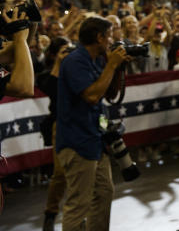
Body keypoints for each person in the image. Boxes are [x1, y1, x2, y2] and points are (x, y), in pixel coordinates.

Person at [56, 16, 131, 231]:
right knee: (79, 204)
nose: (111, 41)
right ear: (99, 37)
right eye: (108, 36)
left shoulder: (98, 59)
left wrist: (116, 68)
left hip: (96, 139)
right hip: (77, 142)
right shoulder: (75, 61)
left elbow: (110, 93)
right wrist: (112, 65)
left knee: (103, 194)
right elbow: (91, 96)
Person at [36, 38, 72, 231]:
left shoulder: (76, 71)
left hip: (78, 124)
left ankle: (78, 213)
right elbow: (51, 89)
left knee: (79, 172)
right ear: (54, 54)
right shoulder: (46, 75)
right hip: (60, 125)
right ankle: (50, 214)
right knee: (60, 174)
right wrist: (59, 64)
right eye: (63, 51)